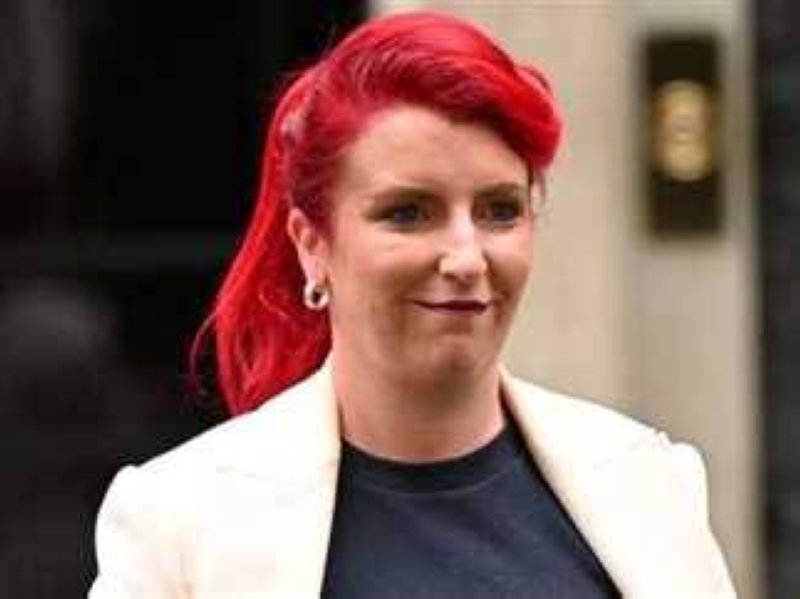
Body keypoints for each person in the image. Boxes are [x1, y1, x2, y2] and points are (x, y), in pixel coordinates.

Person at [89, 11, 737, 598]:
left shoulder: (647, 482)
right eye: (408, 212)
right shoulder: (182, 522)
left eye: (500, 210)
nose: (466, 258)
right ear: (312, 245)